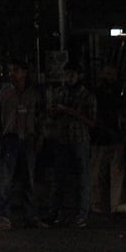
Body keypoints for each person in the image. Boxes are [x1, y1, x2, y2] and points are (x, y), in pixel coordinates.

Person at [0, 58, 45, 230]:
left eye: (16, 70)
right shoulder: (4, 94)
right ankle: (4, 216)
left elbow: (40, 119)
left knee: (29, 179)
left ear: (24, 72)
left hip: (28, 139)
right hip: (10, 139)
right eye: (11, 71)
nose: (12, 74)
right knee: (5, 181)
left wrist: (40, 137)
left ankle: (31, 216)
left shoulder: (33, 94)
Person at [49, 62, 97, 227]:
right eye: (66, 74)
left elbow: (92, 122)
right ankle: (56, 212)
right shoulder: (60, 92)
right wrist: (58, 112)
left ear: (79, 76)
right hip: (62, 138)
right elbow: (51, 113)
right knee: (59, 177)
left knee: (82, 177)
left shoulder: (87, 96)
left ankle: (81, 213)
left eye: (71, 75)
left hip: (80, 139)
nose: (68, 78)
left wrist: (72, 112)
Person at [89, 62, 126, 216]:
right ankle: (105, 203)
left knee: (108, 172)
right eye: (108, 74)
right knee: (100, 173)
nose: (110, 77)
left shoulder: (115, 93)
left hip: (111, 137)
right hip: (103, 137)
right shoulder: (99, 93)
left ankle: (111, 204)